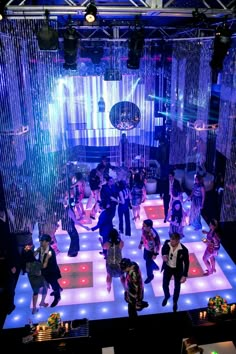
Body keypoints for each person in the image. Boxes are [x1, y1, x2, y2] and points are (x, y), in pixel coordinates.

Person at [161, 232, 189, 312]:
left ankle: (175, 302)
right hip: (168, 268)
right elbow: (163, 249)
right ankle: (167, 296)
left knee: (177, 287)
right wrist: (164, 255)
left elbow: (186, 263)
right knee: (164, 284)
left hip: (178, 270)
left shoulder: (184, 250)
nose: (171, 242)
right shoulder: (167, 243)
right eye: (171, 240)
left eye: (173, 241)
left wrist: (184, 275)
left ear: (178, 241)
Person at [120, 258, 149, 331]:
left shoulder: (133, 275)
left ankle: (133, 326)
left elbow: (137, 288)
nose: (122, 270)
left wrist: (137, 301)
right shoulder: (132, 265)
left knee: (131, 311)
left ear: (128, 266)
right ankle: (134, 322)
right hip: (131, 293)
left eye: (123, 268)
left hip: (134, 296)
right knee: (132, 310)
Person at [35, 234, 62, 308]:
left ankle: (57, 297)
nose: (40, 242)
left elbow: (47, 264)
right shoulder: (42, 248)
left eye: (42, 241)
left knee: (54, 285)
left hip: (51, 272)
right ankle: (59, 289)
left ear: (47, 242)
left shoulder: (50, 252)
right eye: (40, 240)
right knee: (53, 284)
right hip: (46, 272)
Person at [21, 245, 49, 314]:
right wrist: (47, 258)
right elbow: (39, 272)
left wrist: (37, 250)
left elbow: (30, 254)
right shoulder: (36, 263)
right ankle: (42, 302)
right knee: (45, 290)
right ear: (31, 255)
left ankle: (34, 308)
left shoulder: (25, 263)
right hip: (39, 280)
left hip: (32, 281)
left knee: (35, 293)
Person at [138, 219, 160, 284]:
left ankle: (150, 276)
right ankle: (154, 266)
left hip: (151, 251)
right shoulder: (144, 229)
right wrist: (141, 243)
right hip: (146, 247)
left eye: (144, 225)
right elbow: (142, 236)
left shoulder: (154, 234)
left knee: (148, 264)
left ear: (149, 227)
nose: (142, 226)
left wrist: (155, 254)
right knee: (145, 258)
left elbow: (157, 244)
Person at [103, 228, 125, 292]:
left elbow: (104, 247)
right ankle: (125, 288)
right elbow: (122, 244)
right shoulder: (121, 243)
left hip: (110, 263)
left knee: (109, 276)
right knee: (122, 277)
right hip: (119, 263)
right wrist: (119, 237)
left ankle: (108, 288)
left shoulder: (107, 244)